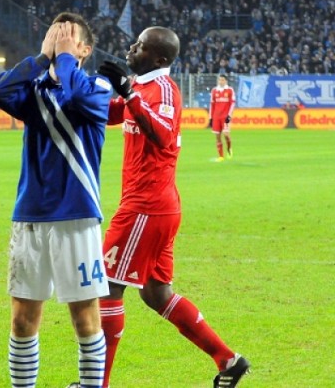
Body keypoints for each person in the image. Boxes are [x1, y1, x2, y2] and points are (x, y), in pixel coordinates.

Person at [93, 27, 250, 388]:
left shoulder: (163, 88)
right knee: (155, 294)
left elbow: (162, 134)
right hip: (156, 205)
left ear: (159, 58)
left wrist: (129, 91)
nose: (131, 48)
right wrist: (77, 96)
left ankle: (97, 384)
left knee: (107, 289)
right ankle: (229, 361)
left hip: (145, 206)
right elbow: (112, 112)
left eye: (140, 46)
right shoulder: (142, 86)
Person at [0, 12, 113, 388]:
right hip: (30, 216)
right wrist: (42, 59)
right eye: (53, 33)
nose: (58, 37)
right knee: (22, 319)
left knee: (84, 318)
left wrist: (65, 59)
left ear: (85, 49)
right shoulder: (32, 92)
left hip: (77, 215)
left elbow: (74, 94)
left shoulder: (98, 86)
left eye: (68, 35)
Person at [208, 74, 235, 162]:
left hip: (226, 117)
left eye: (223, 80)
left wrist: (229, 115)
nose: (221, 81)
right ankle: (221, 156)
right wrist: (211, 117)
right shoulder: (214, 91)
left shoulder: (230, 90)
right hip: (216, 116)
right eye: (220, 80)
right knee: (218, 137)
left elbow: (232, 103)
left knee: (226, 135)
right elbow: (212, 104)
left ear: (226, 81)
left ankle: (229, 149)